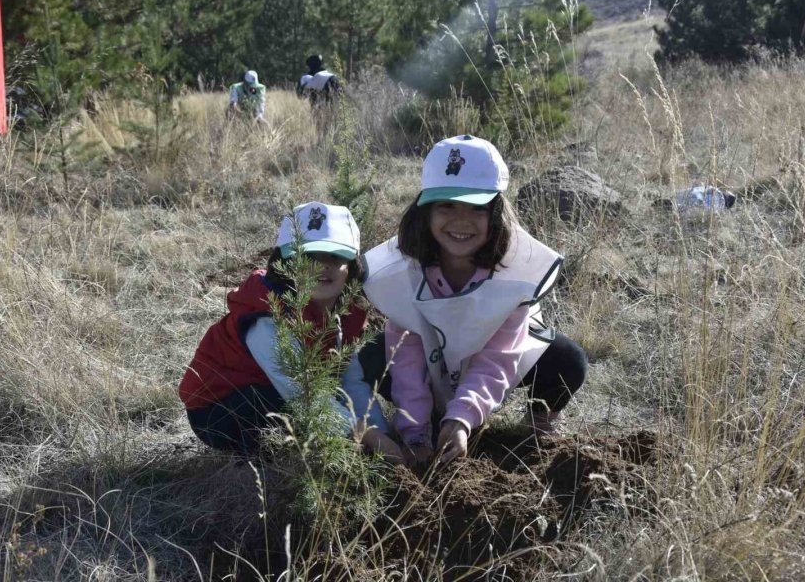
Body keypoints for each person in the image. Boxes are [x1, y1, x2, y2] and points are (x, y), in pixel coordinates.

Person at [362, 135, 588, 466]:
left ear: (497, 212)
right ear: (424, 211)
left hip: (494, 361)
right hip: (430, 358)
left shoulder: (516, 273)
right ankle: (408, 422)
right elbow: (406, 355)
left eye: (477, 208)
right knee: (370, 359)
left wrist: (462, 419)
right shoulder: (405, 270)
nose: (461, 220)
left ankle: (539, 424)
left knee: (568, 359)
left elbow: (498, 357)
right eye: (447, 205)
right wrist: (415, 432)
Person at [179, 202, 402, 461]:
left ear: (351, 267)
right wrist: (364, 436)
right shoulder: (266, 314)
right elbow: (299, 392)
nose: (322, 266)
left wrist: (380, 432)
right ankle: (270, 463)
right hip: (221, 410)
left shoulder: (343, 314)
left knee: (333, 393)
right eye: (307, 257)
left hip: (284, 391)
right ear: (285, 266)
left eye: (335, 257)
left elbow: (351, 382)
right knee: (291, 407)